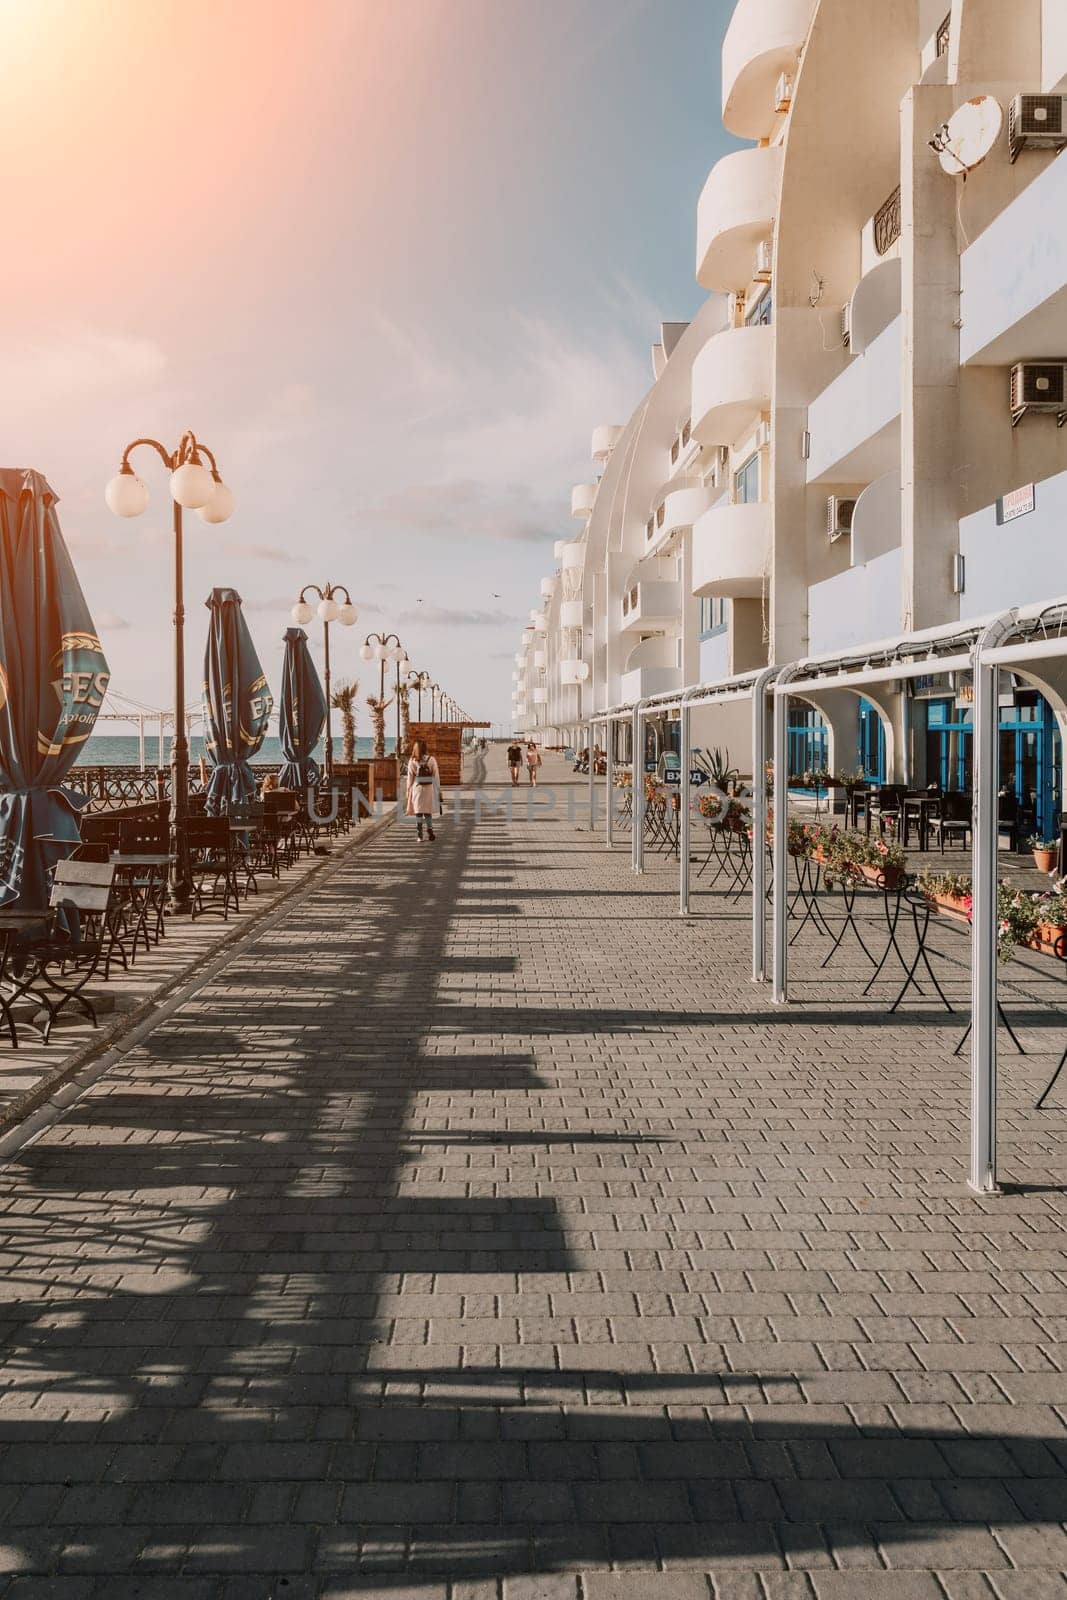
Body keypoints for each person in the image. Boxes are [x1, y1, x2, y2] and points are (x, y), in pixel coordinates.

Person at [405, 737, 440, 842]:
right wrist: (438, 789)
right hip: (429, 788)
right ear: (425, 748)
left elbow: (410, 777)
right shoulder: (431, 759)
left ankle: (419, 835)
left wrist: (408, 790)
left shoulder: (412, 761)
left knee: (418, 812)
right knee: (428, 812)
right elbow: (435, 775)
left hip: (417, 788)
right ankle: (430, 829)